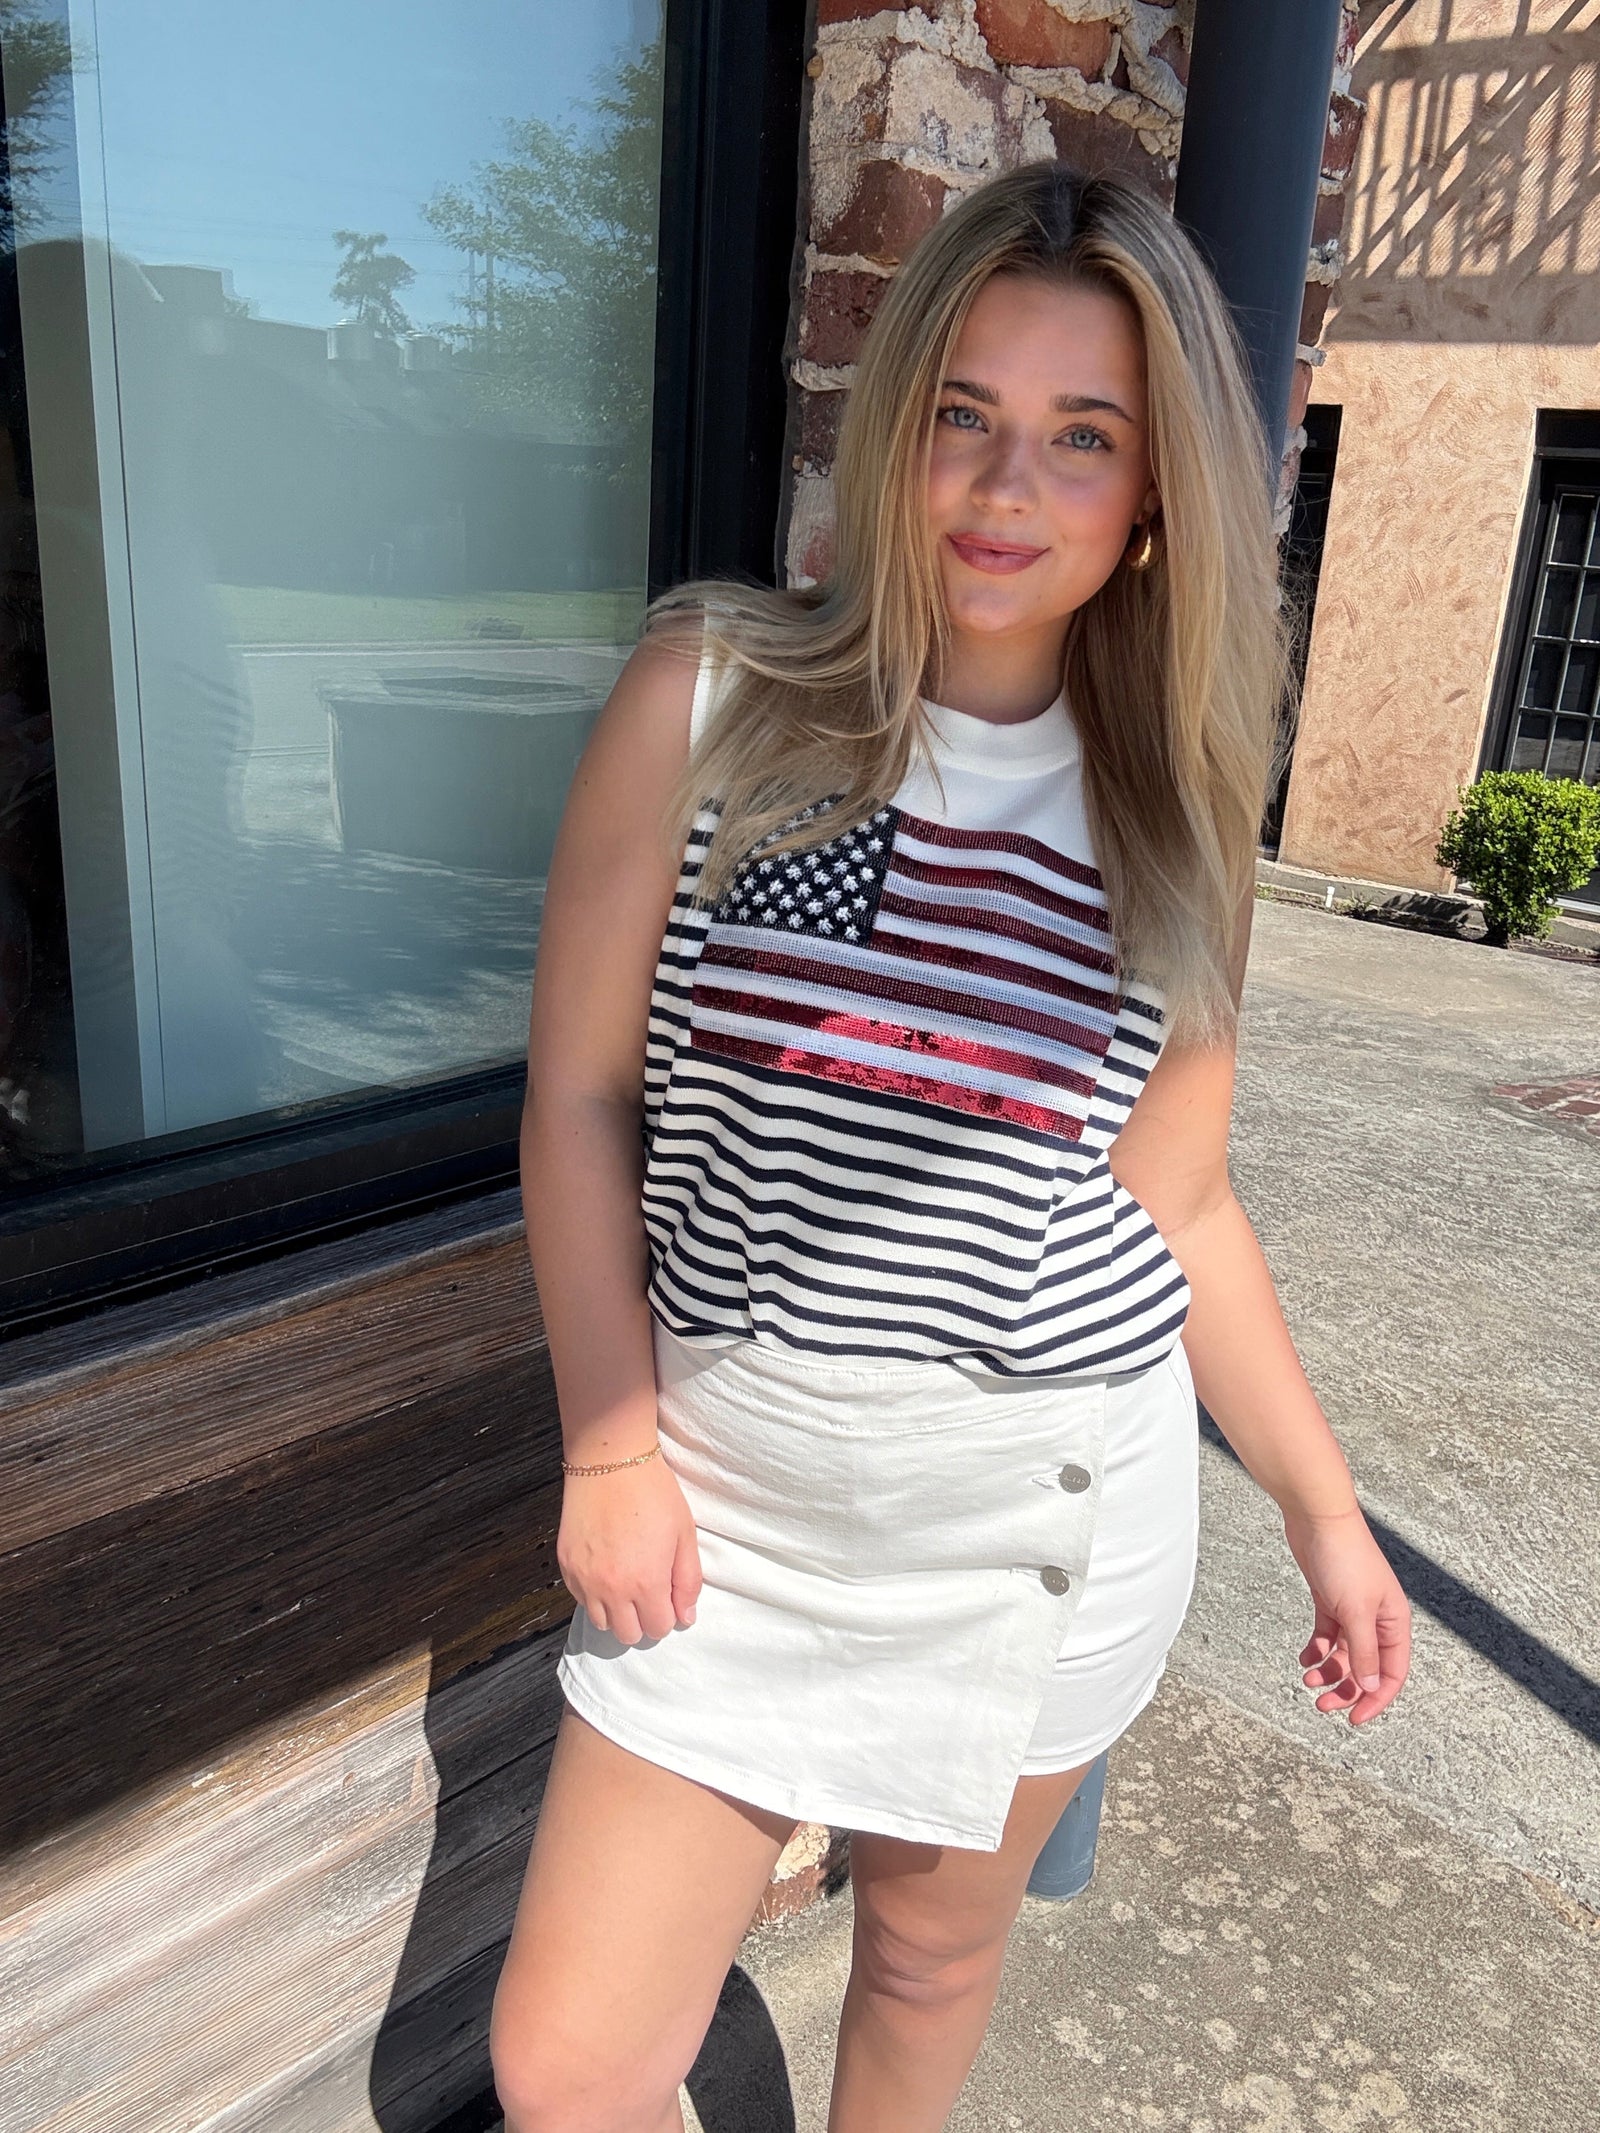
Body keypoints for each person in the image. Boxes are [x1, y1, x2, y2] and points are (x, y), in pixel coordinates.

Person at [489, 160, 1412, 2133]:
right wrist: (609, 1445)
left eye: (1082, 437)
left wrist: (1324, 1512)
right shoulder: (709, 701)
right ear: (896, 423)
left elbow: (1179, 1199)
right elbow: (578, 1096)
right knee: (567, 2069)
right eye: (964, 416)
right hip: (721, 1492)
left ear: (1152, 490)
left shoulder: (1175, 815)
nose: (1006, 488)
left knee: (921, 1962)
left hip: (1035, 1508)